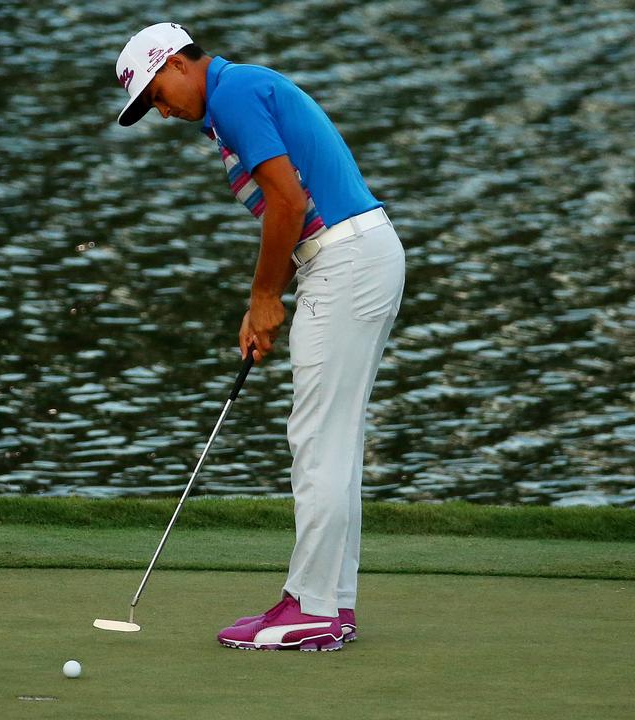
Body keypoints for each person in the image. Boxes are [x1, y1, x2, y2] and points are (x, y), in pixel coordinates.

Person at [113, 22, 405, 651]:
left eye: (157, 96)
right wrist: (265, 299)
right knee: (334, 437)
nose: (162, 113)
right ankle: (332, 603)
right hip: (354, 256)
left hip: (346, 257)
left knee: (317, 437)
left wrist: (266, 296)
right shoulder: (236, 97)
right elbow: (293, 210)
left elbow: (287, 202)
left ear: (177, 64)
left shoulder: (234, 93)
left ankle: (313, 608)